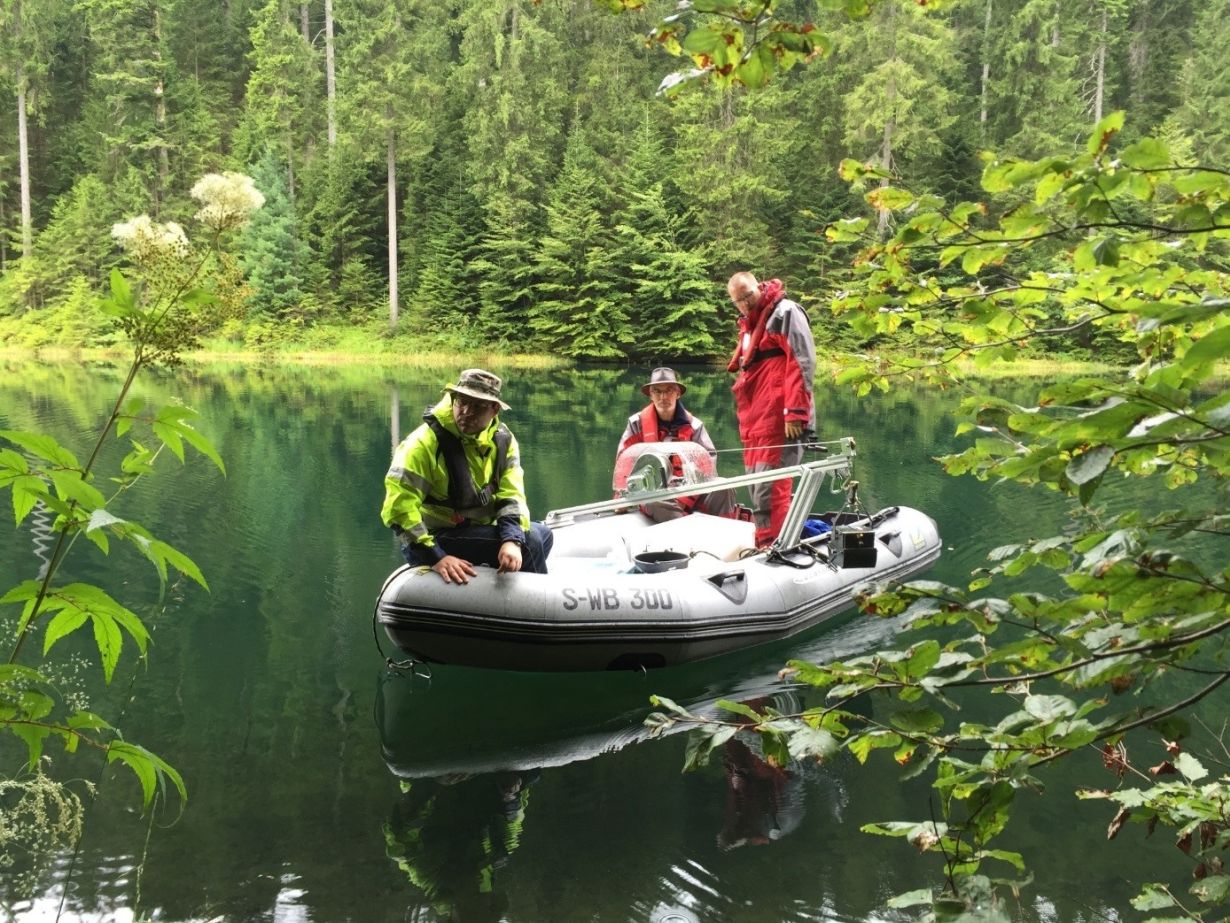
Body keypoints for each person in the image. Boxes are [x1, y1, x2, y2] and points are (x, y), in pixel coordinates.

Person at [381, 368, 553, 583]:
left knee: (543, 534)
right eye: (461, 402)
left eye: (478, 406)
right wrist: (437, 557)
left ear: (494, 409)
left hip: (475, 529)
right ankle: (534, 609)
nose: (466, 412)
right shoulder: (422, 444)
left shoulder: (503, 440)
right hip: (433, 538)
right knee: (532, 543)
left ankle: (501, 590)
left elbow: (512, 494)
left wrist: (512, 540)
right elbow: (398, 510)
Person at [726, 271, 817, 548]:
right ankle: (765, 542)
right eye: (738, 301)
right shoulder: (751, 325)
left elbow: (802, 361)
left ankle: (774, 548)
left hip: (780, 418)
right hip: (755, 422)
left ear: (759, 286)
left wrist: (796, 412)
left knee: (771, 487)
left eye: (748, 296)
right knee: (757, 486)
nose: (744, 304)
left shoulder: (784, 312)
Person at [615, 367, 738, 522]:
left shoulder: (695, 426)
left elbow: (709, 464)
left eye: (669, 390)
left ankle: (721, 535)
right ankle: (683, 535)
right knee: (655, 500)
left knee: (723, 486)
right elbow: (624, 460)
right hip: (654, 492)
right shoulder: (636, 424)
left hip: (690, 491)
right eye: (657, 391)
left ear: (678, 393)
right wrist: (621, 496)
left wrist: (685, 495)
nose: (663, 396)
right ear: (650, 395)